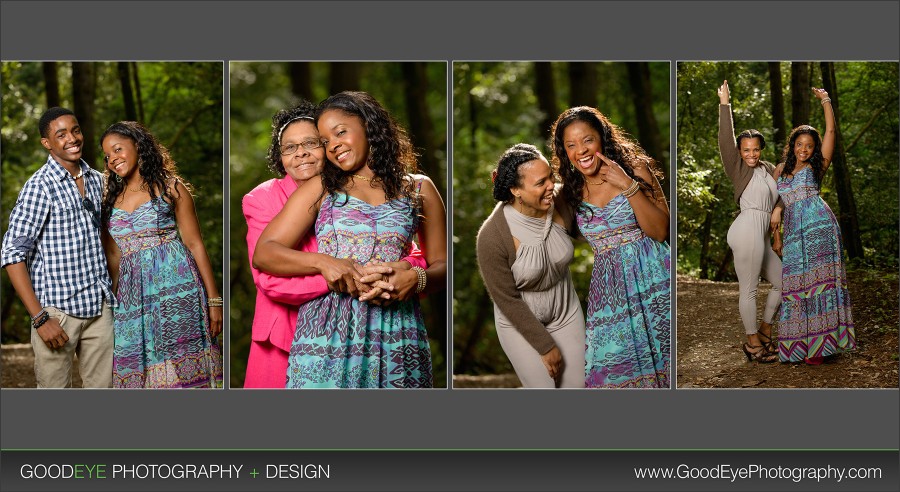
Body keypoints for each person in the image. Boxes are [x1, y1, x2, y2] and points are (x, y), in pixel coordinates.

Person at [255, 91, 446, 388]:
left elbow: (443, 266)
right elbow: (265, 252)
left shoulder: (419, 189)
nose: (334, 147)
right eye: (326, 141)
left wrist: (416, 279)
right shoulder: (322, 187)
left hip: (398, 331)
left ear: (369, 126)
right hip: (328, 332)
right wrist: (323, 262)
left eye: (340, 132)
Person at [551, 106, 670, 388]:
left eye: (587, 140)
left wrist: (628, 186)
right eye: (571, 145)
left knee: (666, 362)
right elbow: (538, 223)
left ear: (602, 138)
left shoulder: (635, 168)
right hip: (609, 295)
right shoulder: (568, 192)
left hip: (654, 280)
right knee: (613, 371)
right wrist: (509, 186)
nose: (581, 150)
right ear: (564, 152)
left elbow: (660, 230)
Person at [100, 121, 223, 388]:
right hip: (132, 298)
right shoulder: (110, 199)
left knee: (183, 368)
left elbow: (195, 244)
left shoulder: (171, 188)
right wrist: (108, 303)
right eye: (107, 156)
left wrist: (214, 301)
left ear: (138, 145)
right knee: (135, 369)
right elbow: (113, 256)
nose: (113, 159)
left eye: (118, 149)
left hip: (177, 289)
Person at [1, 107, 115, 388]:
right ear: (47, 143)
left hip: (100, 309)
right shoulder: (39, 187)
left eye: (75, 130)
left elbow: (109, 239)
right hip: (57, 313)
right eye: (60, 134)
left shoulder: (98, 180)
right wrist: (40, 319)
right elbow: (12, 254)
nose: (72, 138)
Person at [476, 144, 585, 388]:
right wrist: (545, 346)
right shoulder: (493, 236)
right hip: (519, 323)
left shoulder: (562, 202)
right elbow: (506, 299)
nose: (550, 187)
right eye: (540, 183)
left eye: (550, 177)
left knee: (578, 387)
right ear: (516, 190)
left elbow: (598, 230)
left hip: (566, 312)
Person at [772, 88, 856, 365]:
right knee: (797, 284)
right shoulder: (780, 169)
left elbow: (831, 132)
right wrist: (776, 214)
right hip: (794, 230)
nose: (804, 149)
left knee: (820, 284)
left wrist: (826, 101)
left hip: (820, 226)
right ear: (792, 145)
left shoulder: (817, 167)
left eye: (809, 145)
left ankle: (820, 347)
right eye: (800, 144)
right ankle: (798, 345)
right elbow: (781, 199)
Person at [717, 80, 782, 363]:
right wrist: (725, 105)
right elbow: (724, 139)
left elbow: (781, 196)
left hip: (763, 234)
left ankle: (766, 329)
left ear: (761, 149)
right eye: (746, 150)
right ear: (740, 152)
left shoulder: (769, 169)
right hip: (746, 230)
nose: (751, 154)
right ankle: (753, 343)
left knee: (784, 282)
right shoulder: (737, 166)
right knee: (750, 289)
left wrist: (777, 210)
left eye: (756, 149)